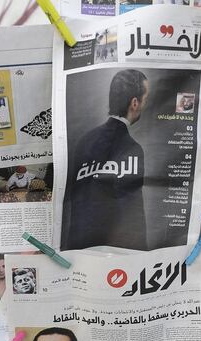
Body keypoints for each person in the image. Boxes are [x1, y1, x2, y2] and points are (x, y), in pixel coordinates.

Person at [61, 69, 149, 250]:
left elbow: (75, 205)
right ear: (134, 103)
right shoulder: (132, 149)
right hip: (118, 256)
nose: (145, 104)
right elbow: (134, 216)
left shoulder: (84, 141)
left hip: (80, 251)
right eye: (145, 98)